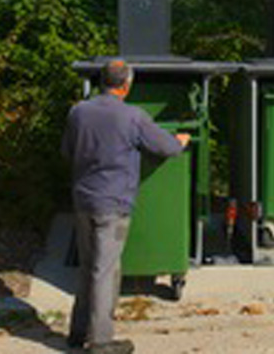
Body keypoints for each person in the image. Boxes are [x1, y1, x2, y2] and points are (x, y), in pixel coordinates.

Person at [62, 59, 190, 354]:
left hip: (83, 200)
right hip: (113, 204)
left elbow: (67, 151)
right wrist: (180, 140)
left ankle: (77, 333)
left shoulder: (78, 111)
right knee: (105, 271)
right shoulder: (133, 116)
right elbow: (166, 147)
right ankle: (101, 342)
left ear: (101, 81)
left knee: (88, 268)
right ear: (126, 84)